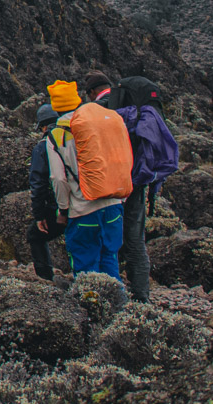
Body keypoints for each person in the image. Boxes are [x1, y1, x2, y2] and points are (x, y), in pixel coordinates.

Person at [44, 78, 132, 280]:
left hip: (83, 210)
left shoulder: (56, 135)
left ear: (56, 108)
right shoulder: (104, 122)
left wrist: (63, 210)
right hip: (113, 204)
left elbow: (58, 178)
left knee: (85, 267)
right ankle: (118, 307)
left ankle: (91, 308)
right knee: (110, 259)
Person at [111, 74, 178, 303]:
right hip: (138, 184)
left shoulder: (122, 118)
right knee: (136, 242)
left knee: (109, 238)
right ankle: (141, 297)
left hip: (115, 185)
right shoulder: (149, 120)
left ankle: (113, 293)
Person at [26, 102, 62, 280]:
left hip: (57, 205)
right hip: (85, 201)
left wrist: (39, 215)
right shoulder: (74, 137)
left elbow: (38, 184)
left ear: (43, 127)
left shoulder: (42, 146)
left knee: (35, 235)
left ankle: (46, 279)